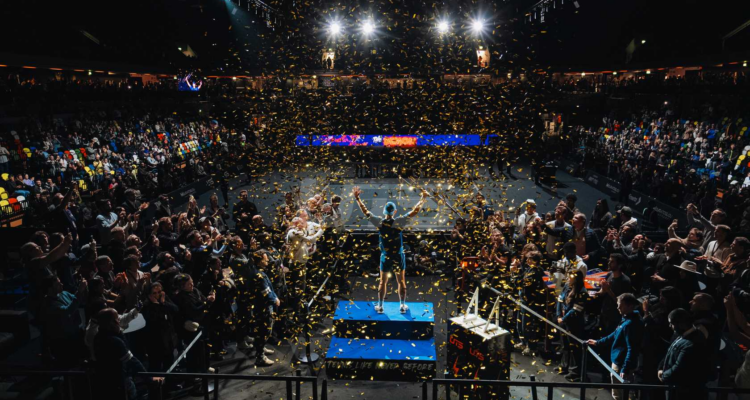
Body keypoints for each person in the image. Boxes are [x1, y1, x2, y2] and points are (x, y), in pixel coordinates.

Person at [352, 186, 428, 313]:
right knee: (401, 281)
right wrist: (423, 198)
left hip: (385, 256)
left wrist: (357, 198)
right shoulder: (399, 222)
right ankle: (402, 306)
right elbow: (415, 211)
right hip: (398, 256)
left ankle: (380, 306)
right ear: (395, 212)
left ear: (384, 212)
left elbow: (365, 211)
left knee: (382, 282)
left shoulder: (379, 222)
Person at [94, 308, 162, 400]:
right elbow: (132, 361)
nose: (119, 320)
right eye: (117, 319)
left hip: (104, 382)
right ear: (112, 322)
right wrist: (149, 380)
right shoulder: (115, 341)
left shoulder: (97, 338)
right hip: (120, 382)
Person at [587, 293, 643, 400]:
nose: (618, 308)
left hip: (621, 363)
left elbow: (632, 348)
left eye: (620, 305)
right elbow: (615, 334)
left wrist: (625, 369)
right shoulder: (626, 319)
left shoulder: (630, 324)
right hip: (620, 361)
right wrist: (597, 342)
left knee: (619, 395)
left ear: (629, 306)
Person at [658, 308, 710, 400]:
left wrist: (664, 375)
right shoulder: (682, 336)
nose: (670, 326)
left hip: (685, 392)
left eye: (672, 324)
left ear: (681, 324)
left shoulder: (692, 342)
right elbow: (669, 353)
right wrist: (661, 369)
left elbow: (679, 368)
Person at [557, 270, 588, 381]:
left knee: (574, 348)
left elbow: (576, 309)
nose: (568, 279)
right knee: (564, 344)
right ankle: (564, 366)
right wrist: (558, 315)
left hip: (574, 323)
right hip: (563, 321)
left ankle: (574, 371)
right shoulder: (566, 286)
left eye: (570, 277)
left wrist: (563, 319)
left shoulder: (582, 292)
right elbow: (560, 300)